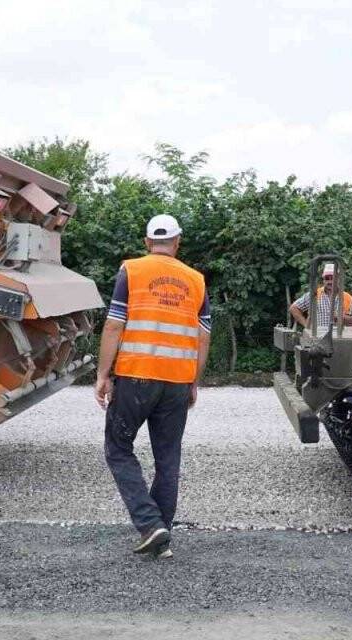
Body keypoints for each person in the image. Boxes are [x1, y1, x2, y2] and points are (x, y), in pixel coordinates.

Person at [94, 213, 211, 560]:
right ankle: (162, 536)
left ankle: (149, 525)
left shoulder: (131, 271)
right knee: (167, 457)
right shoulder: (196, 280)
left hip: (136, 377)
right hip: (176, 381)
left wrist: (103, 374)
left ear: (147, 242)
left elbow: (115, 325)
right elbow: (204, 336)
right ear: (177, 242)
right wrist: (194, 380)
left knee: (118, 448)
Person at [289, 263, 352, 331]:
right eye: (327, 278)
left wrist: (340, 317)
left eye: (333, 278)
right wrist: (306, 325)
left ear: (338, 279)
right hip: (317, 337)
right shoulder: (315, 294)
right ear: (323, 280)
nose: (330, 281)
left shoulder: (347, 297)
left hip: (339, 338)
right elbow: (293, 308)